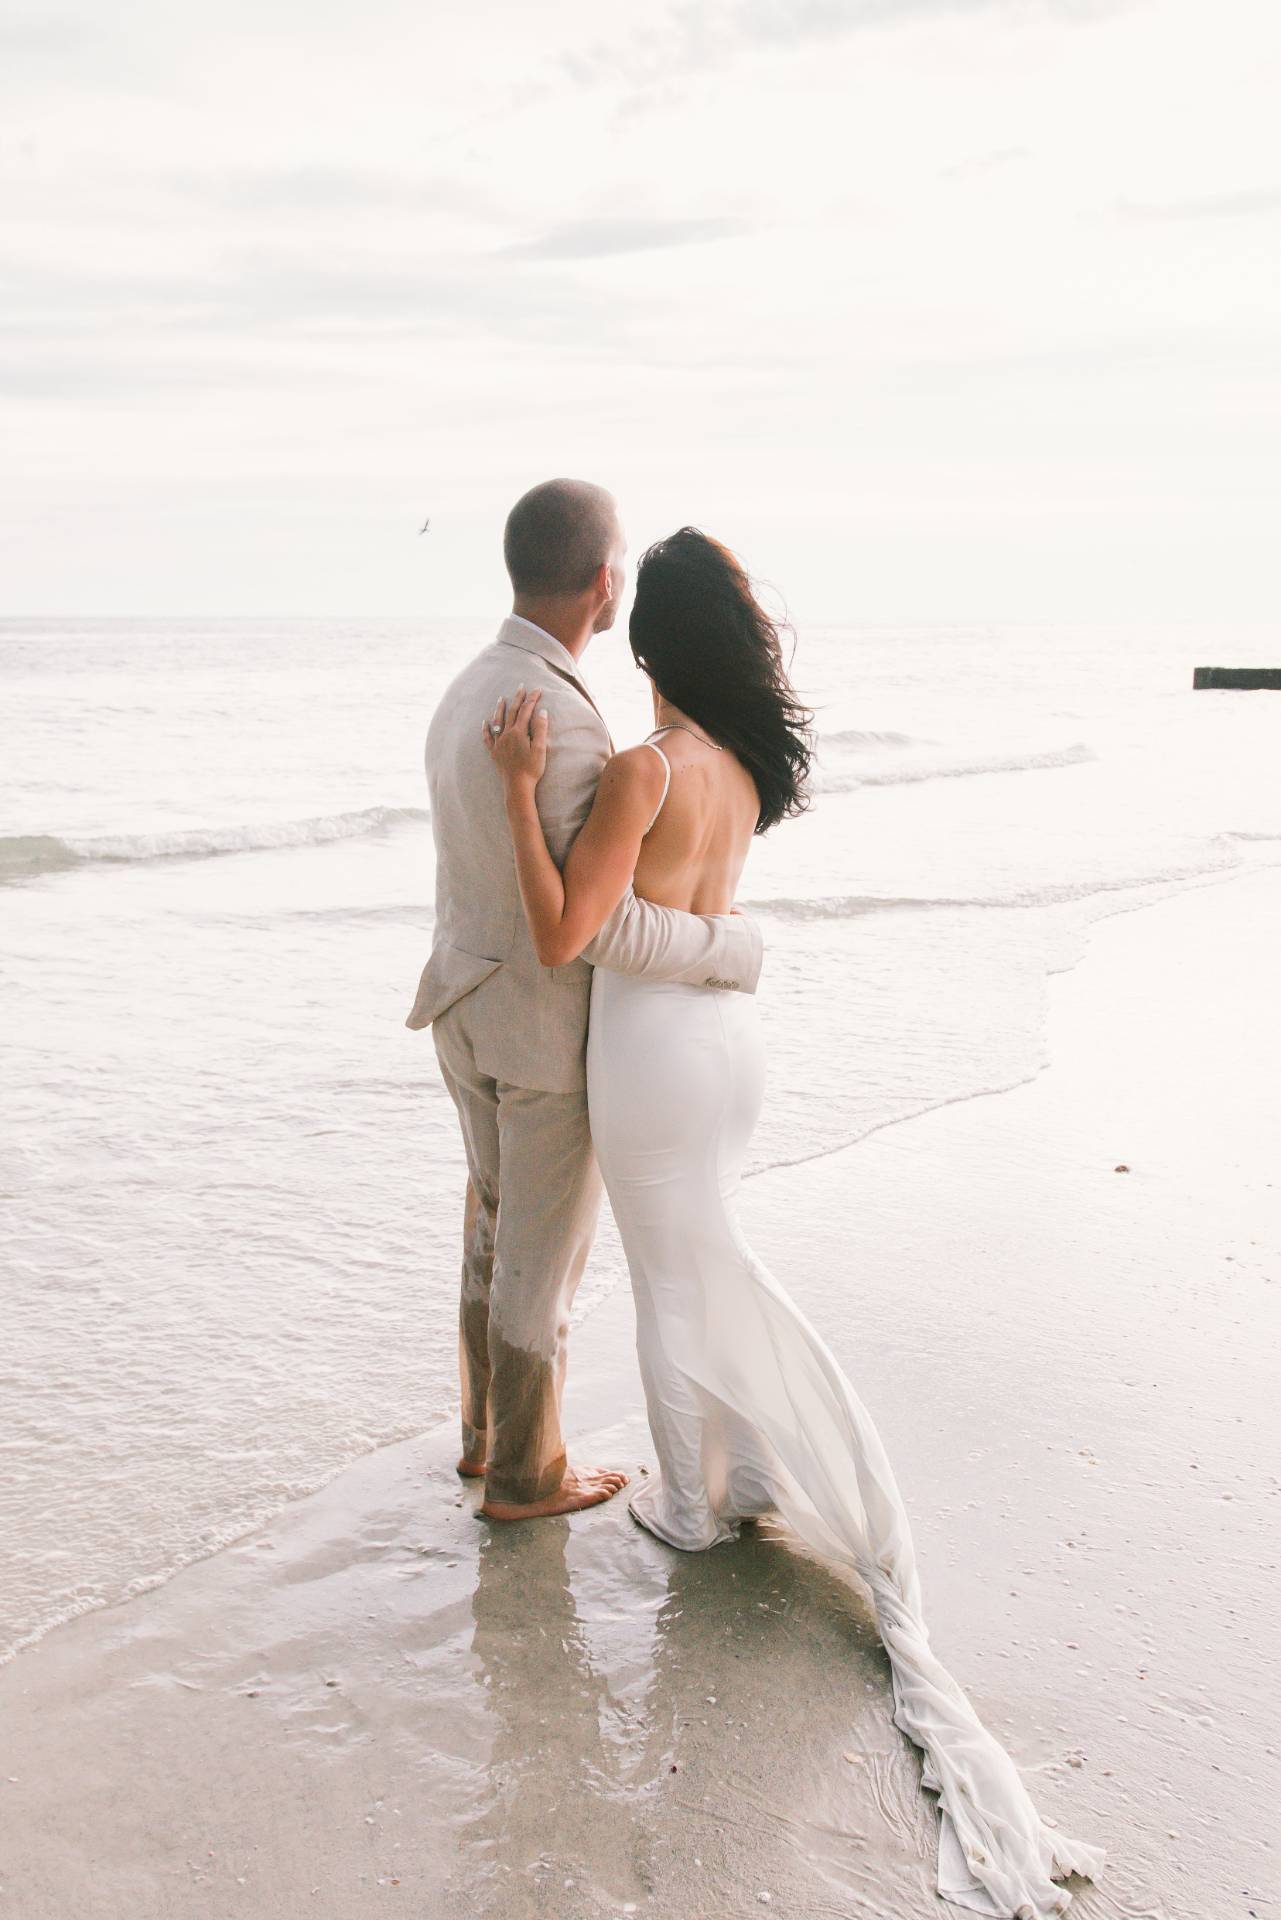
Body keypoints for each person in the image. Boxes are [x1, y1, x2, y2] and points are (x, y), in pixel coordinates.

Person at [483, 525, 1107, 1920]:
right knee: (710, 1256)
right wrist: (725, 947)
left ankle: (697, 1509)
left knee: (667, 1276)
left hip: (648, 1054)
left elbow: (566, 937)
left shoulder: (644, 768)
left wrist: (524, 794)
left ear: (648, 646)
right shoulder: (745, 773)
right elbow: (691, 918)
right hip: (727, 1052)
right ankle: (750, 1470)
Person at [404, 479, 764, 1523]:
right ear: (605, 584)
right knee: (540, 1258)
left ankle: (482, 1437)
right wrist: (726, 947)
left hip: (459, 1000)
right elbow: (584, 925)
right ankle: (528, 1473)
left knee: (490, 1222)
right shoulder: (559, 717)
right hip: (534, 1023)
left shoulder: (471, 684)